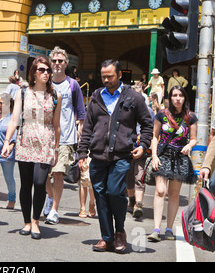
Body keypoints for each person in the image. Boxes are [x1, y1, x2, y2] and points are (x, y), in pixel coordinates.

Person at [77, 59, 153, 252]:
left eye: (110, 76)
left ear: (119, 75)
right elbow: (87, 127)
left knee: (114, 192)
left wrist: (143, 145)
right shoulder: (96, 96)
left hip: (122, 156)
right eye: (103, 76)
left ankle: (120, 232)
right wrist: (82, 153)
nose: (106, 80)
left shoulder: (134, 97)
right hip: (98, 156)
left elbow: (147, 124)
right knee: (101, 196)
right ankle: (107, 238)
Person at [1, 55, 62, 239]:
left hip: (46, 142)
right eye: (41, 70)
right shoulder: (23, 92)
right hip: (25, 140)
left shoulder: (56, 96)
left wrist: (57, 149)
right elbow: (14, 119)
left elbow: (57, 125)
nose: (46, 73)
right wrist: (7, 141)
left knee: (40, 182)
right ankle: (27, 222)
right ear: (33, 72)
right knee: (26, 184)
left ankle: (36, 220)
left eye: (48, 70)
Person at [147, 86, 197, 242]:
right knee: (160, 191)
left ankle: (169, 229)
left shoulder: (191, 117)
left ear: (184, 98)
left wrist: (189, 145)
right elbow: (154, 137)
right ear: (170, 97)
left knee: (174, 194)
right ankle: (156, 229)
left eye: (180, 95)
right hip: (163, 155)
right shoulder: (162, 115)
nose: (177, 98)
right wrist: (154, 156)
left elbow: (194, 138)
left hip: (180, 158)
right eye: (174, 95)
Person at [44, 46, 85, 225]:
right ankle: (50, 197)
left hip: (66, 137)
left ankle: (54, 210)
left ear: (66, 63)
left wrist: (80, 133)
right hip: (45, 136)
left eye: (61, 61)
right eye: (54, 61)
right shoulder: (44, 82)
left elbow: (81, 112)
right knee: (43, 174)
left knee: (58, 173)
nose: (57, 64)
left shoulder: (72, 84)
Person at [126, 85, 155, 219]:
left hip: (142, 148)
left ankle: (138, 204)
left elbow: (152, 130)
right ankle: (132, 200)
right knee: (128, 177)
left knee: (139, 176)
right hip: (127, 147)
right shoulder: (125, 108)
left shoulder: (148, 110)